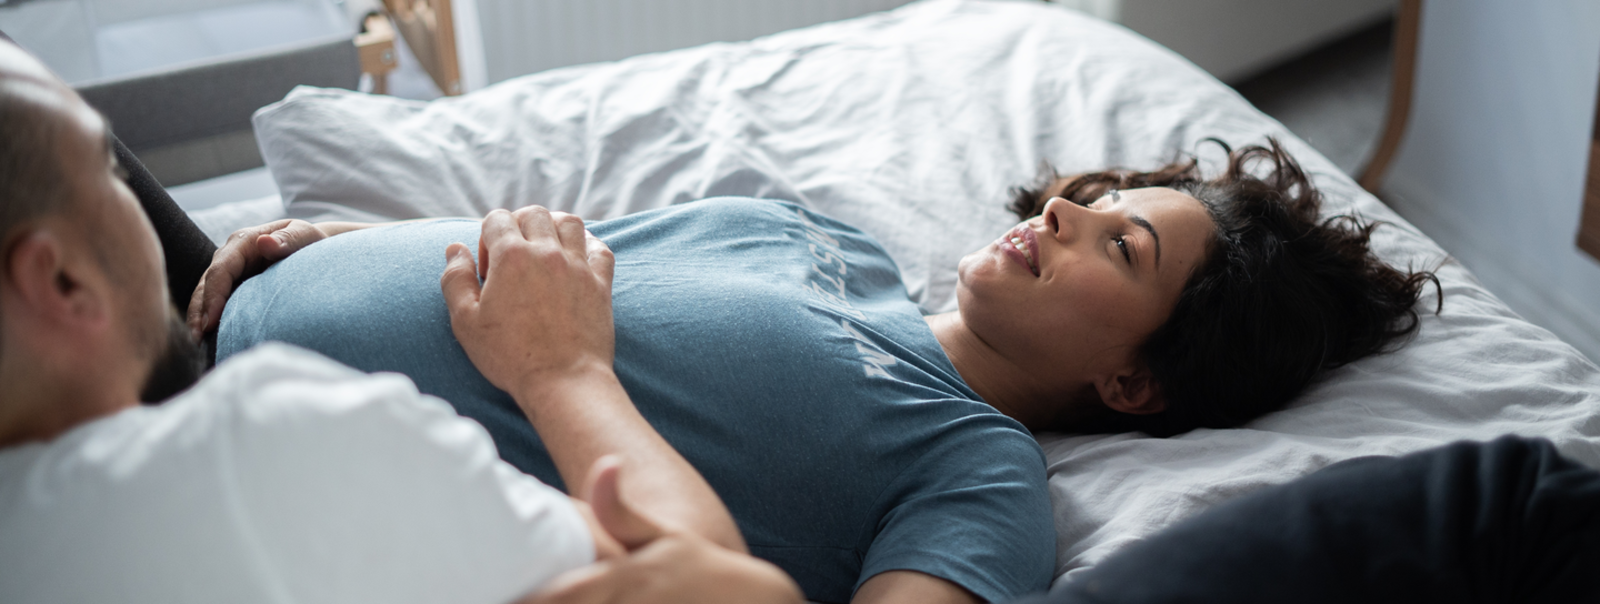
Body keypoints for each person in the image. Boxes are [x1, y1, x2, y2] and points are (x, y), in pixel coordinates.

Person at [199, 135, 1437, 601]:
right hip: (209, 319)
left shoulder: (982, 479)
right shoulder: (809, 235)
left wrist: (559, 372)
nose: (1064, 209)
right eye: (1102, 194)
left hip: (250, 516)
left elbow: (556, 335)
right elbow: (563, 264)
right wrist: (347, 247)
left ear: (1134, 385)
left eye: (1121, 241)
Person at [0, 38, 801, 604]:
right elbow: (710, 583)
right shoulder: (263, 450)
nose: (129, 191)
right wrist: (564, 368)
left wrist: (333, 238)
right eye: (107, 171)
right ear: (61, 278)